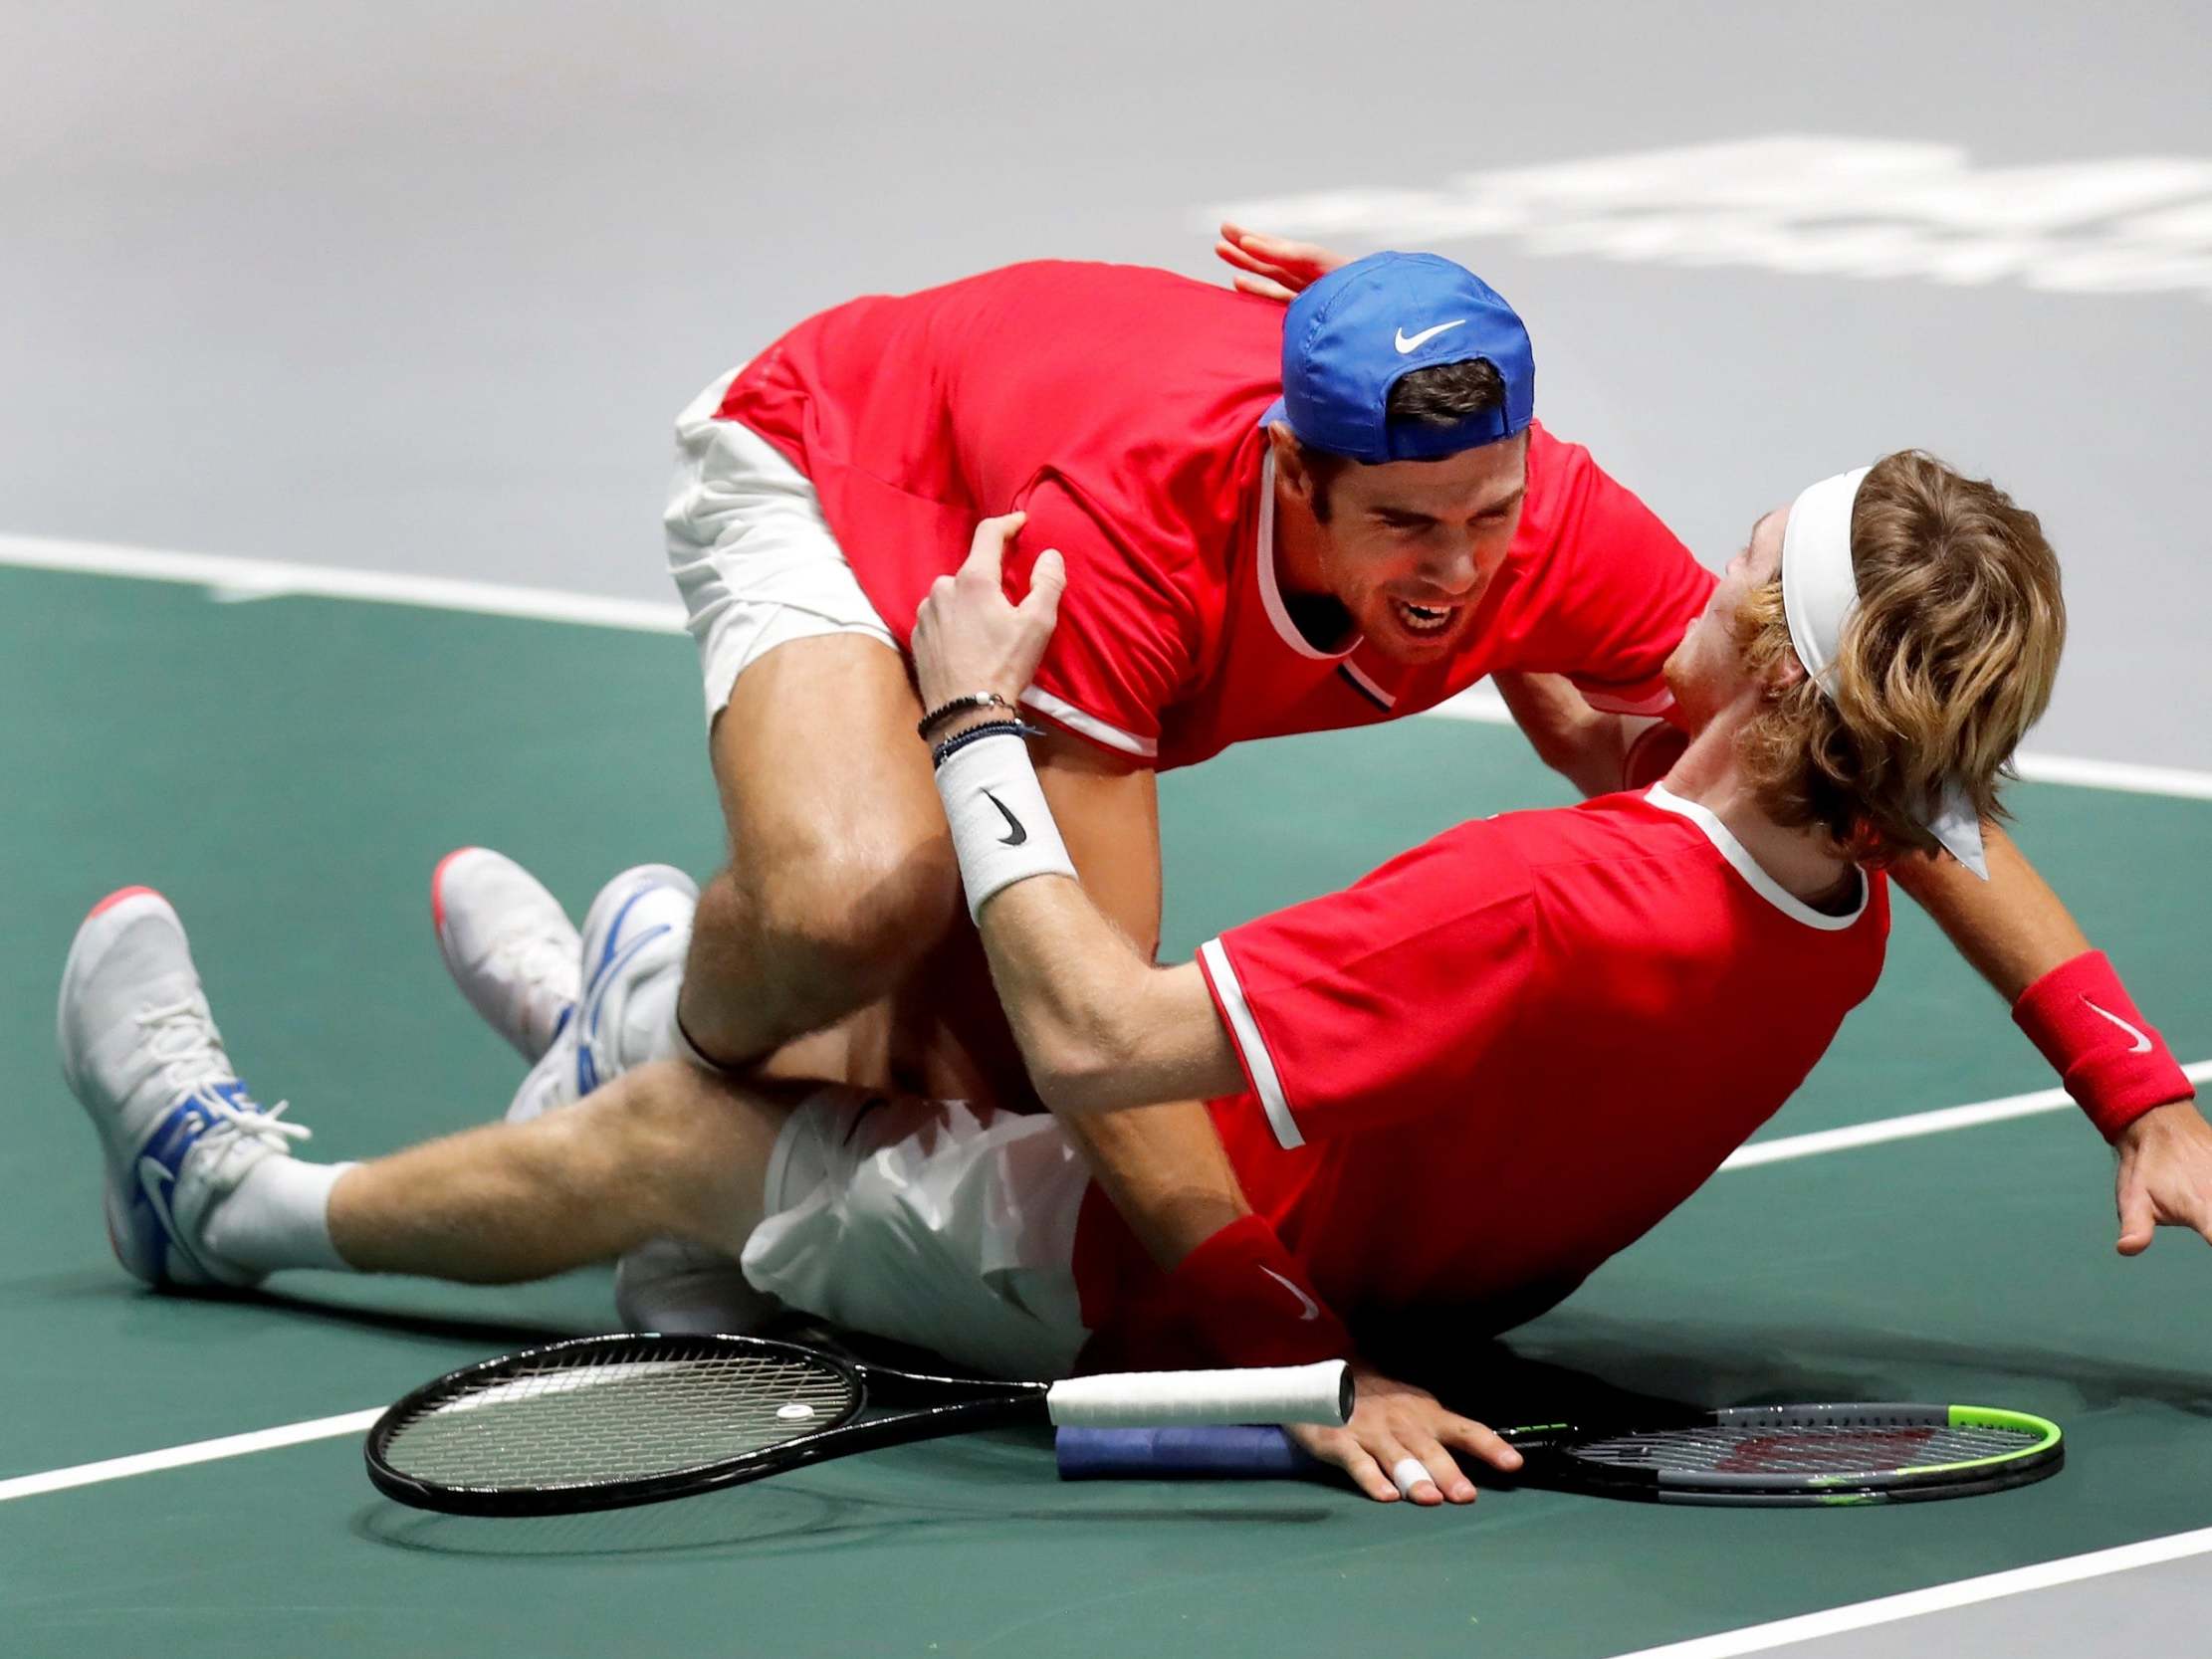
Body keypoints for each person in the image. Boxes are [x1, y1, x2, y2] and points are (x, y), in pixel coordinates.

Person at [58, 451, 2212, 1507]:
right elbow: (1945, 826)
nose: (1708, 561)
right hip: (1390, 1250)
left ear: (1776, 652)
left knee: (699, 1128)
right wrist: (2136, 1077)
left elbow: (1100, 1033)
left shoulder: (1545, 896)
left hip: (1133, 1265)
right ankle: (608, 988)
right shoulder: (1827, 890)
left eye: (1750, 558)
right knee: (881, 1013)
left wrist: (977, 713)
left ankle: (231, 1202)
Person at [475, 246, 2199, 1349]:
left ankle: (651, 1090)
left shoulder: (1547, 537)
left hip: (1064, 544)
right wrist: (1281, 1335)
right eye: (1406, 527)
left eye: (1493, 516)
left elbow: (1877, 752)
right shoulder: (1134, 546)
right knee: (862, 894)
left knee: (976, 1057)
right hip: (857, 459)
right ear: (1296, 472)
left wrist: (2129, 1083)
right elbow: (1104, 1032)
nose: (1459, 575)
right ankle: (640, 1046)